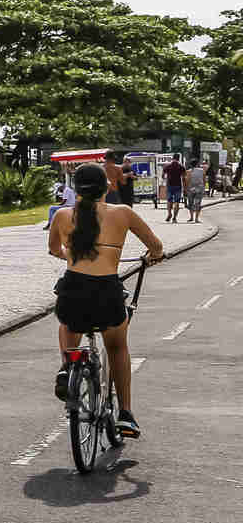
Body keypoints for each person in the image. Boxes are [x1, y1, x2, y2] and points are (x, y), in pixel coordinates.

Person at [49, 162, 163, 439]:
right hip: (106, 292)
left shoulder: (62, 215)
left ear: (76, 189)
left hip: (73, 290)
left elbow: (53, 249)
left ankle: (67, 367)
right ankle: (125, 414)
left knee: (68, 321)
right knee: (117, 347)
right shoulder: (123, 213)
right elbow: (156, 246)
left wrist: (70, 255)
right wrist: (153, 257)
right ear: (107, 187)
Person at [162, 153, 187, 222]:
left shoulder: (167, 166)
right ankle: (174, 218)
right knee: (177, 202)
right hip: (178, 186)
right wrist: (185, 188)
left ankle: (169, 213)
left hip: (169, 185)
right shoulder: (181, 167)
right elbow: (184, 178)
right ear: (178, 159)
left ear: (172, 158)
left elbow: (163, 176)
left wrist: (166, 178)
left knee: (169, 201)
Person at [185, 157, 207, 223]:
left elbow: (187, 180)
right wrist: (204, 188)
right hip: (199, 189)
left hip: (191, 189)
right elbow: (204, 180)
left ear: (191, 164)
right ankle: (196, 219)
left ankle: (191, 217)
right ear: (197, 164)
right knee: (198, 204)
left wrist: (186, 188)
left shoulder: (188, 171)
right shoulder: (202, 171)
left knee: (190, 203)